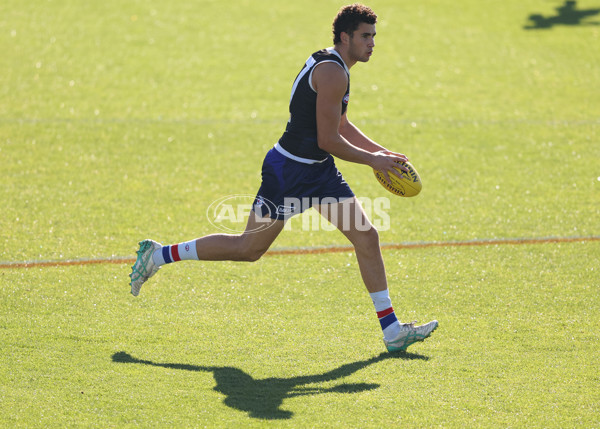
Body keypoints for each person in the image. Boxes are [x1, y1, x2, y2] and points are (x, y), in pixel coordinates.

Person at [129, 3, 438, 352]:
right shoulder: (334, 73)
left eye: (373, 36)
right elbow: (329, 139)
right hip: (288, 172)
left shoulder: (335, 66)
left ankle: (392, 330)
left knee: (366, 237)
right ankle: (158, 256)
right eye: (365, 36)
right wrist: (372, 162)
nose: (372, 44)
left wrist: (382, 154)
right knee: (248, 249)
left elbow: (341, 124)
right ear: (345, 37)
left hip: (317, 172)